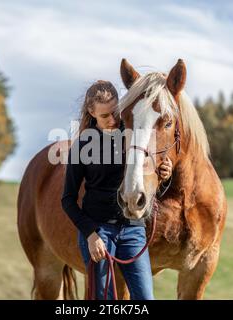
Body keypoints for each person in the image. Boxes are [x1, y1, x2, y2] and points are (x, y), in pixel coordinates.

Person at [61, 80, 172, 300]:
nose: (112, 120)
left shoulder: (132, 133)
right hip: (99, 232)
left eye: (115, 113)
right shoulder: (83, 145)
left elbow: (146, 173)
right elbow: (68, 200)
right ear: (92, 113)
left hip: (133, 231)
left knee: (146, 299)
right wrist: (90, 235)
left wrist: (163, 173)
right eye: (104, 116)